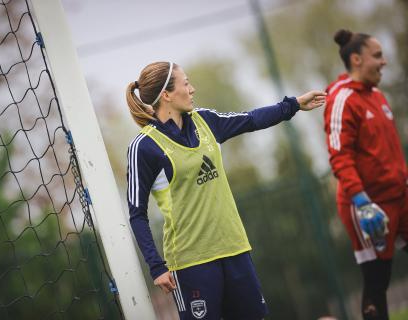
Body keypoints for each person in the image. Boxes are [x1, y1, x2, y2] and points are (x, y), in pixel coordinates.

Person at [126, 61, 326, 320]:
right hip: (190, 261)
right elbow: (137, 213)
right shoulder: (144, 147)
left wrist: (294, 104)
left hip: (234, 248)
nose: (192, 89)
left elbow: (251, 119)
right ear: (166, 95)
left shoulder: (205, 120)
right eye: (186, 83)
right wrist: (156, 266)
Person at [324, 29, 408, 320]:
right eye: (377, 56)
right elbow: (339, 156)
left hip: (401, 197)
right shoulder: (342, 98)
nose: (384, 62)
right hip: (369, 207)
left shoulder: (378, 95)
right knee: (377, 283)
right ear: (357, 59)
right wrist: (362, 201)